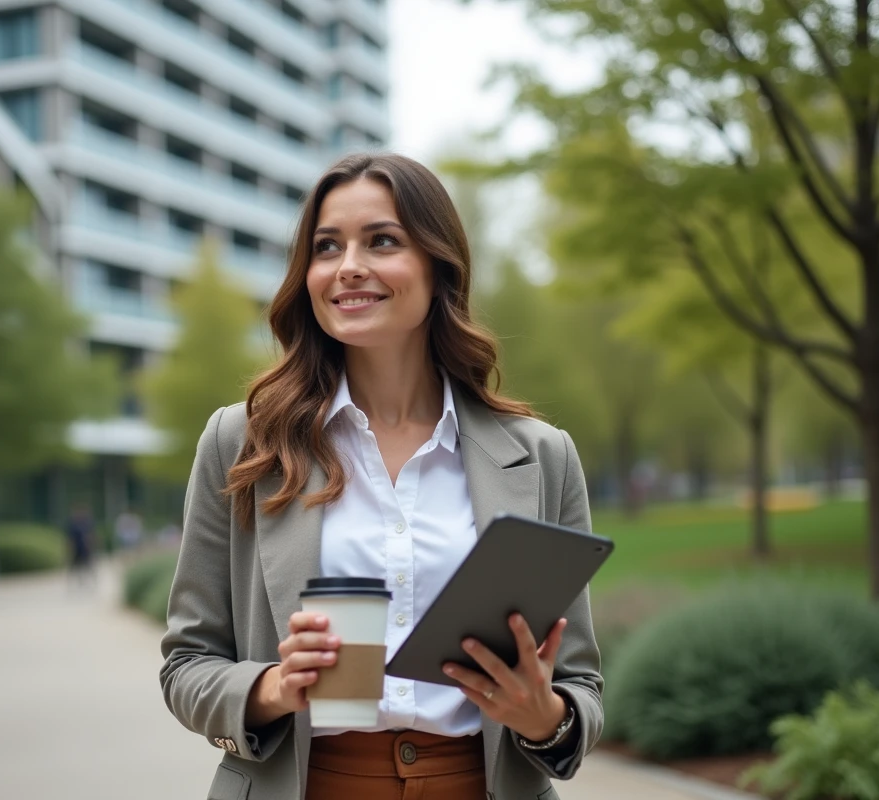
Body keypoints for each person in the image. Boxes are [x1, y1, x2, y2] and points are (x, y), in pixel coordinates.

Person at [160, 153, 603, 800]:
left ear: (437, 265)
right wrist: (275, 687)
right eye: (326, 247)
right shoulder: (242, 442)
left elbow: (582, 686)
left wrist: (545, 719)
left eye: (382, 241)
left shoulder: (541, 457)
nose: (348, 267)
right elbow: (188, 666)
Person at [65, 504, 97, 588]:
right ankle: (72, 582)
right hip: (77, 549)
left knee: (89, 565)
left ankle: (93, 581)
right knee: (74, 566)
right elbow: (70, 538)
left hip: (85, 548)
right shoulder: (73, 525)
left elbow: (91, 535)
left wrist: (92, 544)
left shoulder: (86, 523)